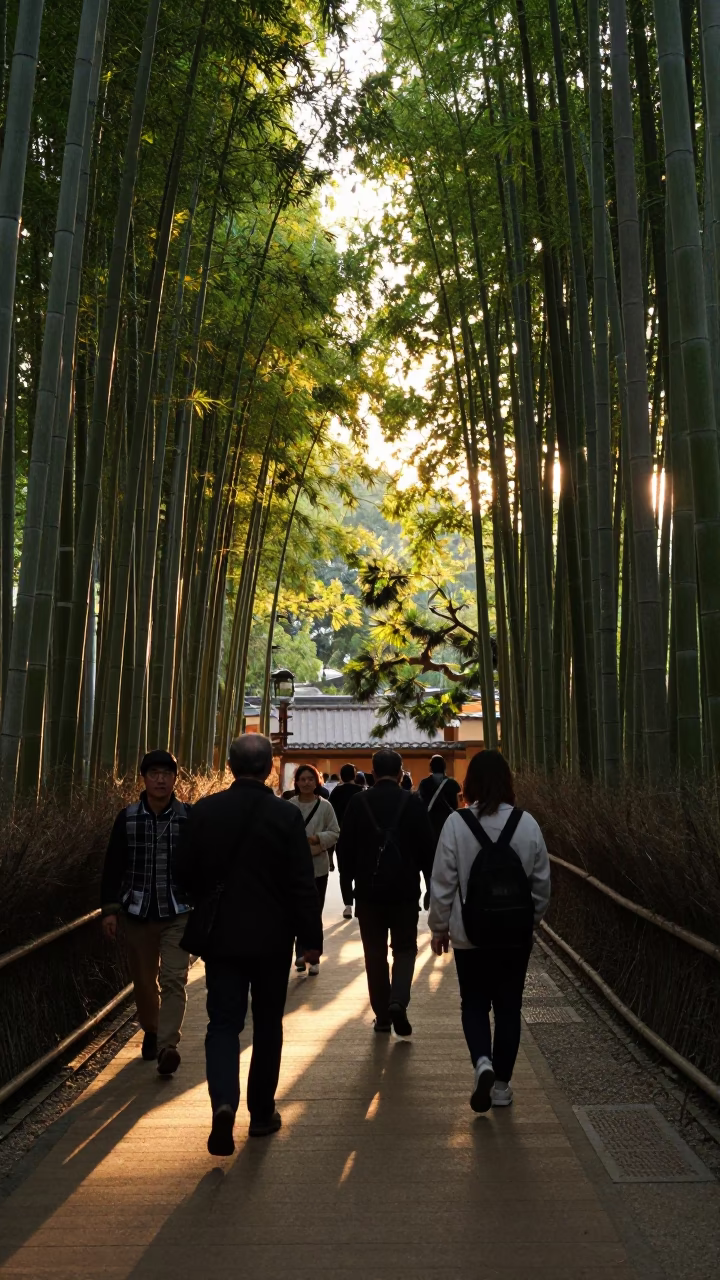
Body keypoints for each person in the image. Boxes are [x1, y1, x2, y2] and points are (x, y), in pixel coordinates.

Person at [175, 734, 322, 1156]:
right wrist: (310, 939)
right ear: (271, 767)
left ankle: (223, 1102)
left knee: (223, 1023)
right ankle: (261, 1113)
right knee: (268, 1023)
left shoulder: (205, 811)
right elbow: (301, 883)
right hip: (273, 938)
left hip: (222, 936)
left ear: (230, 766)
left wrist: (208, 897)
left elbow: (183, 872)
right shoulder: (285, 815)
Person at [428, 749, 550, 1113]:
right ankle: (501, 1086)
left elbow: (443, 882)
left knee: (475, 1003)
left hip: (470, 933)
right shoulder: (527, 823)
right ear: (508, 781)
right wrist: (531, 921)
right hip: (514, 935)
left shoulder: (456, 823)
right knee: (509, 1007)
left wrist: (439, 927)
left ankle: (482, 1060)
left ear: (469, 785)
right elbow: (541, 883)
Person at [100, 749, 191, 1077]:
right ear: (144, 778)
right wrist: (110, 910)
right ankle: (151, 1030)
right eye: (154, 773)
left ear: (175, 779)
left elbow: (201, 865)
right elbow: (113, 866)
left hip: (178, 909)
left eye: (167, 773)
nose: (160, 779)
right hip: (137, 910)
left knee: (173, 978)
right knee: (143, 980)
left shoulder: (188, 817)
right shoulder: (128, 817)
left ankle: (168, 1045)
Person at [338, 749, 435, 1037]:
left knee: (374, 953)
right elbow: (427, 849)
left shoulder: (358, 802)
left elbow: (345, 850)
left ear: (372, 771)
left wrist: (348, 887)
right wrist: (430, 886)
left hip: (369, 892)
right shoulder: (413, 802)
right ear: (401, 772)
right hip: (405, 891)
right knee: (405, 949)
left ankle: (382, 1015)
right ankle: (398, 1001)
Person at [288, 764, 340, 973]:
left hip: (318, 867)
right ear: (297, 782)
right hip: (294, 868)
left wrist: (318, 838)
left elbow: (335, 832)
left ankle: (315, 956)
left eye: (311, 779)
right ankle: (300, 953)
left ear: (317, 781)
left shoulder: (325, 806)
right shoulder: (289, 806)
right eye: (303, 779)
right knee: (297, 911)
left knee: (315, 912)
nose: (307, 782)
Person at [330, 764, 364, 919]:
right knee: (360, 870)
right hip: (360, 837)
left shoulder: (336, 792)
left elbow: (332, 815)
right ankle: (359, 903)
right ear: (354, 775)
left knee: (344, 872)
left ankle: (348, 905)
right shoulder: (361, 792)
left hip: (342, 836)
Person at [418, 754, 462, 841]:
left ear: (430, 768)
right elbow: (458, 805)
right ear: (444, 767)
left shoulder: (424, 784)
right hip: (449, 822)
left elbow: (421, 804)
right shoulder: (453, 784)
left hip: (430, 824)